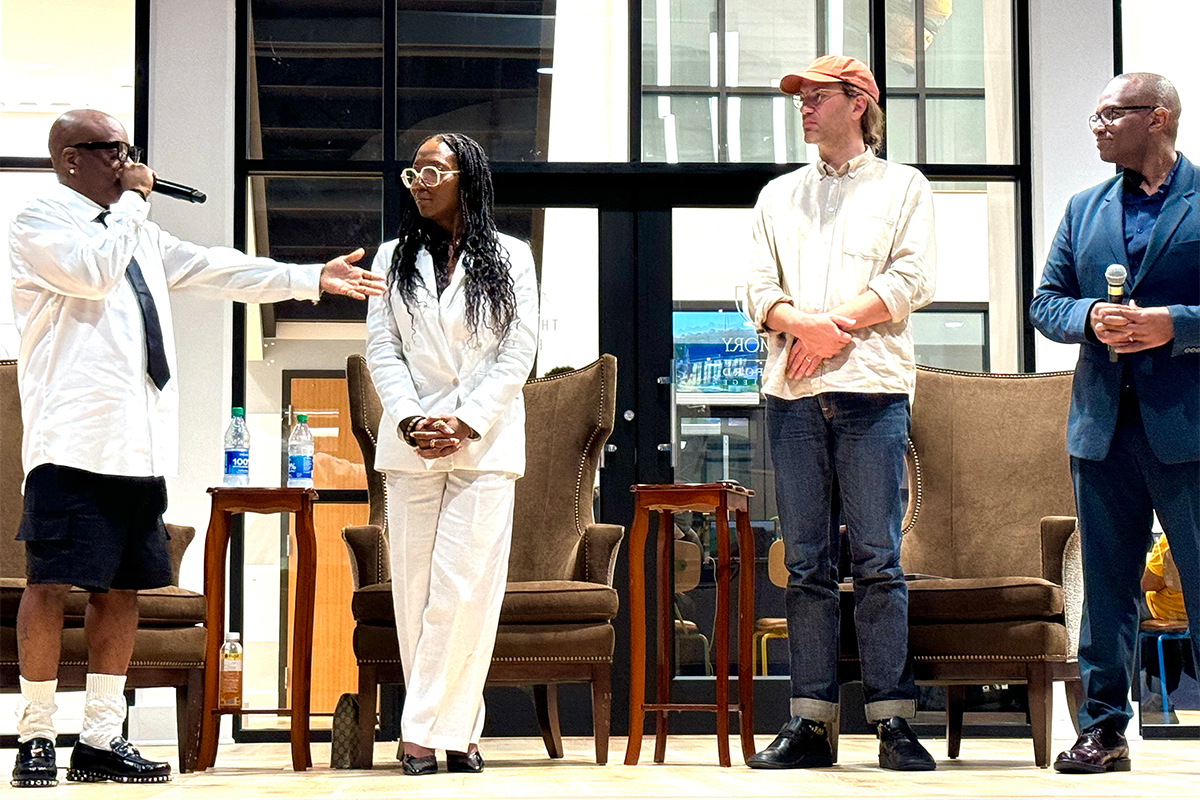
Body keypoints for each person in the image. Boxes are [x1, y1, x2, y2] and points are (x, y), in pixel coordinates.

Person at [8, 109, 385, 788]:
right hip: (72, 441)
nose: (128, 161)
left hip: (139, 446)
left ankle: (98, 737)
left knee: (123, 590)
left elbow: (219, 270)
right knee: (50, 584)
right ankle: (36, 736)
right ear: (71, 159)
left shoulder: (137, 234)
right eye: (114, 150)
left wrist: (308, 279)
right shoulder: (40, 222)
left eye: (130, 151)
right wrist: (134, 201)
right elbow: (92, 273)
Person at [742, 55, 937, 771]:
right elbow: (754, 285)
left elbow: (912, 278)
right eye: (800, 97)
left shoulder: (904, 188)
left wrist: (827, 330)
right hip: (791, 397)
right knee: (806, 563)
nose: (803, 107)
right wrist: (799, 324)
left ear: (858, 104)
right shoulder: (778, 195)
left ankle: (892, 720)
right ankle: (812, 724)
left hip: (872, 392)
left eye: (817, 96)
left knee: (878, 560)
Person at [1028, 72, 1199, 774]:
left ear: (1157, 118)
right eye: (1094, 114)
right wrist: (1091, 318)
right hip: (1101, 429)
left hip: (1187, 429)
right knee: (1104, 587)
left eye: (1110, 114)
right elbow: (1046, 302)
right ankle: (1104, 729)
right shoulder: (1083, 207)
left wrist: (1174, 326)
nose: (1096, 126)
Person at [364, 133, 538, 776]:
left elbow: (516, 353)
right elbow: (382, 350)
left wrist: (464, 422)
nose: (422, 180)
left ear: (469, 177)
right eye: (415, 171)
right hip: (410, 447)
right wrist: (412, 418)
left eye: (436, 169)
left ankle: (424, 732)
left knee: (466, 590)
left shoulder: (512, 257)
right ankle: (456, 733)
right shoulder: (390, 258)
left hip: (484, 446)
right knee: (417, 590)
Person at [1139, 535, 1193, 715]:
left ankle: (1153, 697)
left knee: (1124, 613)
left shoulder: (1169, 538)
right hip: (1191, 612)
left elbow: (1148, 583)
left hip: (1169, 612)